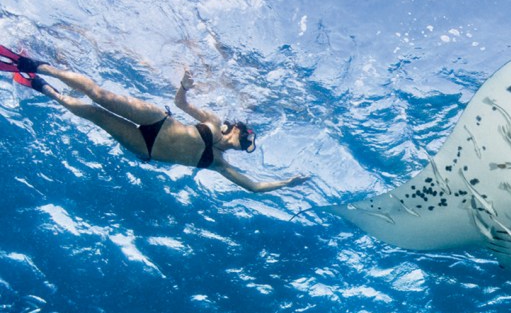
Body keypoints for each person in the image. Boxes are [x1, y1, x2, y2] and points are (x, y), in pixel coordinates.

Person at [0, 45, 308, 193]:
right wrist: (184, 86)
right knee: (100, 96)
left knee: (92, 114)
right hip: (159, 121)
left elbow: (253, 187)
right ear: (238, 130)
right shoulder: (212, 121)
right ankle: (36, 65)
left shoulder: (220, 163)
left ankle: (45, 88)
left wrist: (288, 182)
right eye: (247, 139)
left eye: (248, 146)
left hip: (145, 148)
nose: (245, 146)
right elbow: (180, 103)